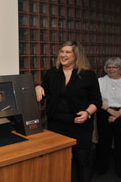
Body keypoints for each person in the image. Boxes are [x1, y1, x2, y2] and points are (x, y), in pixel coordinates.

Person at [35, 41, 101, 182]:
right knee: (57, 162)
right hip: (56, 126)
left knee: (82, 161)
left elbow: (96, 100)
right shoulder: (52, 73)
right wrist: (38, 88)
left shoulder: (88, 75)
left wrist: (88, 113)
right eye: (62, 51)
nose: (63, 55)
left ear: (76, 55)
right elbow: (43, 91)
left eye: (67, 52)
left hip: (79, 126)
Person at [93, 57, 121, 177]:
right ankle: (101, 169)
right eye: (108, 67)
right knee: (104, 142)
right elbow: (98, 99)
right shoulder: (100, 81)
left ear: (119, 69)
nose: (111, 69)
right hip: (104, 112)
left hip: (120, 113)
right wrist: (111, 112)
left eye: (114, 67)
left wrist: (117, 114)